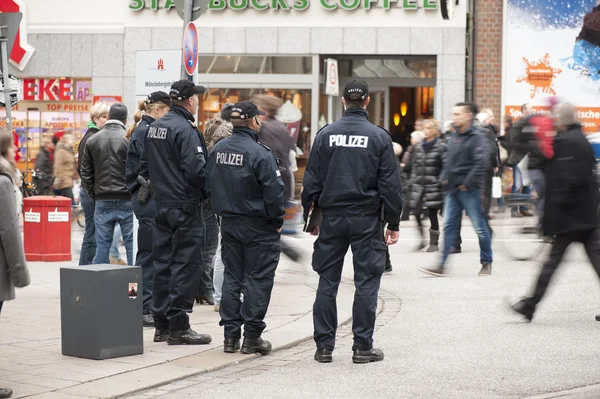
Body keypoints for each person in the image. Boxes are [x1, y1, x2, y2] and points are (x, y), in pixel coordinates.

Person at [302, 80, 403, 364]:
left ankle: (324, 347)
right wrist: (393, 223)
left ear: (344, 101)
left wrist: (311, 216)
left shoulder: (326, 135)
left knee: (327, 281)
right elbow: (391, 186)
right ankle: (362, 346)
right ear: (367, 102)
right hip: (366, 219)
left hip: (332, 217)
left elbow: (311, 181)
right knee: (367, 281)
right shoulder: (379, 137)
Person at [509, 103, 600, 321]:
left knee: (551, 265)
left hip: (571, 218)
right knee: (590, 262)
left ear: (561, 120)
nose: (553, 122)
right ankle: (529, 305)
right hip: (584, 216)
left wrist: (550, 221)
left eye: (555, 119)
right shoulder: (580, 140)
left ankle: (529, 306)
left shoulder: (567, 143)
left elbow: (564, 184)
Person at [207, 101, 285, 356]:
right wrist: (276, 222)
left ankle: (230, 336)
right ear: (253, 121)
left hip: (229, 223)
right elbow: (274, 193)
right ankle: (252, 337)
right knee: (258, 280)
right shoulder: (260, 152)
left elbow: (207, 183)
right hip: (258, 226)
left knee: (233, 277)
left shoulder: (218, 149)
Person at [140, 80, 211, 346]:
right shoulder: (186, 129)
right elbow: (196, 171)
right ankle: (179, 326)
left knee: (163, 263)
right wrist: (208, 192)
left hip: (161, 205)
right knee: (185, 265)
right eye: (197, 99)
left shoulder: (154, 127)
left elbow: (144, 166)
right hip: (185, 206)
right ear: (190, 101)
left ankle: (162, 325)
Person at [420, 102, 493, 277]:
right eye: (454, 114)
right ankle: (442, 265)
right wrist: (444, 178)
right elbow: (449, 161)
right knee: (449, 227)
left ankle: (486, 262)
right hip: (452, 189)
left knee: (480, 228)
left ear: (468, 116)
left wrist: (467, 183)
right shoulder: (453, 135)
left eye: (458, 114)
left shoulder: (477, 136)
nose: (454, 117)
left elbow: (480, 162)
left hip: (469, 190)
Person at [125, 91, 171, 327]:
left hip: (145, 199)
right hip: (147, 199)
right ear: (158, 109)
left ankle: (143, 305)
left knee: (148, 254)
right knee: (147, 256)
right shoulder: (146, 131)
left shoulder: (143, 128)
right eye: (167, 111)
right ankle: (142, 307)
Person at [80, 103, 134, 266]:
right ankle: (133, 289)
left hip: (102, 199)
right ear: (125, 120)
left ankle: (98, 288)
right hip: (126, 198)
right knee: (131, 247)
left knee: (101, 248)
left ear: (109, 117)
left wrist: (94, 194)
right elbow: (136, 169)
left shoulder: (93, 139)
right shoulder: (129, 139)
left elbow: (85, 173)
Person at [0, 129, 30, 399]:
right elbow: (8, 230)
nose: (15, 152)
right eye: (12, 147)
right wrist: (20, 272)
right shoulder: (3, 183)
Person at [202, 116, 233, 313]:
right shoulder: (226, 152)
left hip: (217, 206)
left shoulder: (212, 153)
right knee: (219, 250)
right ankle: (222, 295)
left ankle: (218, 297)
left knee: (220, 251)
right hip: (229, 207)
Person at [78, 102, 110, 266]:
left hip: (92, 191)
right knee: (92, 233)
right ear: (96, 118)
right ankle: (85, 269)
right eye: (105, 117)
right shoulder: (91, 138)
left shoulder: (94, 136)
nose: (108, 119)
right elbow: (83, 170)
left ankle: (88, 268)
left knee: (95, 232)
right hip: (91, 193)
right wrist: (93, 192)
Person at [408, 119, 447, 252]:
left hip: (433, 184)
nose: (425, 131)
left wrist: (440, 180)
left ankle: (433, 242)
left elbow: (445, 166)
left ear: (435, 130)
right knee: (416, 212)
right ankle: (422, 239)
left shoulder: (441, 146)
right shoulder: (418, 146)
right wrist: (413, 180)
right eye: (424, 128)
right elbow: (414, 165)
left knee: (432, 213)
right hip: (419, 184)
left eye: (429, 128)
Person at [53, 134, 77, 201]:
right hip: (64, 179)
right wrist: (59, 178)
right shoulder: (61, 151)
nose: (73, 141)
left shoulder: (70, 151)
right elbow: (58, 165)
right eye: (71, 140)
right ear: (66, 141)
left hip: (69, 178)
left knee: (68, 200)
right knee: (70, 199)